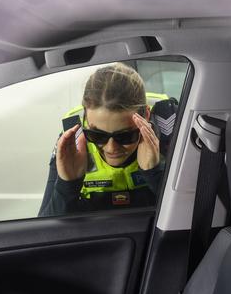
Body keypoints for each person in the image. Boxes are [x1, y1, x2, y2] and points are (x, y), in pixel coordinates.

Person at [39, 63, 165, 216]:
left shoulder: (173, 133)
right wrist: (68, 185)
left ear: (146, 114)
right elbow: (46, 230)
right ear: (85, 116)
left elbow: (194, 221)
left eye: (125, 136)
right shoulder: (73, 141)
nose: (111, 148)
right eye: (97, 135)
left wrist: (154, 173)